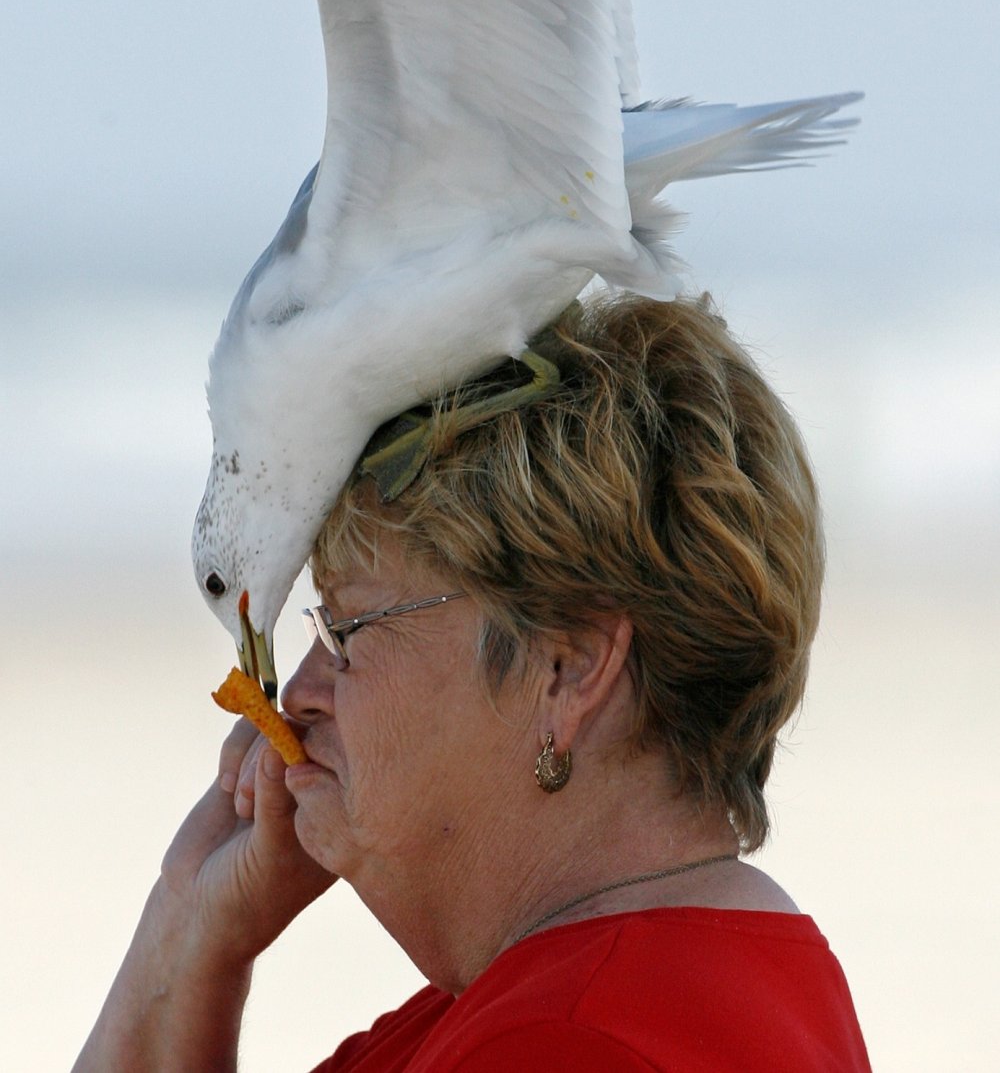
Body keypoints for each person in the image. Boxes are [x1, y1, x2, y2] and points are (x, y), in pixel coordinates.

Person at [73, 295, 872, 1071]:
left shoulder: (568, 1041)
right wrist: (193, 924)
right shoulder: (627, 987)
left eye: (348, 628)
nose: (301, 691)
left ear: (568, 666)